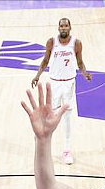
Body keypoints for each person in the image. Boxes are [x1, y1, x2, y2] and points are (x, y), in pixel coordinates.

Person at [30, 17, 91, 165]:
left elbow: (80, 62)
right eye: (61, 26)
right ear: (58, 28)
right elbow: (45, 60)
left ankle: (67, 150)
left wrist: (84, 73)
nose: (63, 28)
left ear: (70, 27)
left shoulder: (76, 43)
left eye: (66, 26)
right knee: (49, 116)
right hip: (55, 83)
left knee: (67, 117)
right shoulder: (52, 42)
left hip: (69, 83)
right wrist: (37, 75)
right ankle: (42, 144)